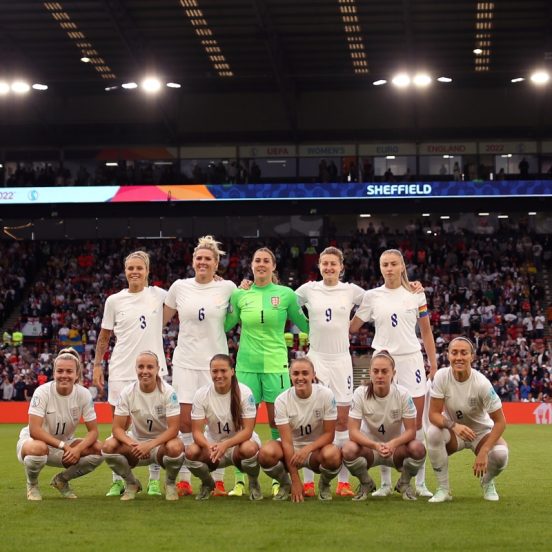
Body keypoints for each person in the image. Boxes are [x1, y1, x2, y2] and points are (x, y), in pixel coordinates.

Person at [350, 248, 437, 498]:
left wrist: (433, 363)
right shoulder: (372, 296)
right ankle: (386, 484)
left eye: (393, 264)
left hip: (411, 361)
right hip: (382, 361)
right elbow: (353, 327)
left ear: (402, 267)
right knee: (383, 422)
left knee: (417, 423)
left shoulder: (416, 294)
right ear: (380, 268)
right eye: (385, 264)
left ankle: (419, 482)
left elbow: (426, 331)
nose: (389, 268)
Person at [225, 247, 310, 496]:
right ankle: (241, 480)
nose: (261, 264)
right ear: (251, 265)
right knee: (240, 423)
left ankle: (277, 477)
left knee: (277, 423)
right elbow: (225, 325)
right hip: (246, 367)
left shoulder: (286, 295)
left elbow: (307, 325)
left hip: (276, 366)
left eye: (266, 261)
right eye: (257, 260)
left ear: (273, 266)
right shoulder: (240, 295)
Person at [164, 235, 236, 497]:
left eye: (208, 258)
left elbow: (242, 311)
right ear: (193, 261)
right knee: (185, 423)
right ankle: (184, 480)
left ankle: (218, 480)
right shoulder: (179, 287)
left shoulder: (228, 288)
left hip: (215, 365)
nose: (203, 262)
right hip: (185, 362)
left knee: (219, 422)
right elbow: (160, 320)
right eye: (199, 258)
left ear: (216, 263)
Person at [93, 250, 169, 497]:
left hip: (153, 370)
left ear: (147, 271)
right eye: (130, 268)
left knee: (156, 426)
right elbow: (104, 336)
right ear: (125, 271)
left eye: (139, 268)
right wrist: (97, 365)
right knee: (120, 428)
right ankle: (121, 480)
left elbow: (190, 293)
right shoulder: (114, 301)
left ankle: (155, 480)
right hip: (121, 370)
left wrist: (217, 279)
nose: (134, 272)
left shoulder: (160, 295)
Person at [294, 246, 365, 497]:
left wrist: (410, 287)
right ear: (319, 266)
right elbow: (285, 302)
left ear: (341, 267)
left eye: (333, 263)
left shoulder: (351, 291)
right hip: (316, 359)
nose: (329, 267)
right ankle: (309, 482)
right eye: (325, 263)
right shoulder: (308, 290)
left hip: (341, 361)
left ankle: (343, 483)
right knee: (311, 420)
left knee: (342, 421)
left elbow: (376, 299)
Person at [427, 336, 509, 502]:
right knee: (433, 433)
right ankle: (443, 489)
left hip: (480, 433)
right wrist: (454, 426)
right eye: (454, 353)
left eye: (464, 353)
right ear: (448, 355)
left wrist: (484, 451)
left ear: (472, 356)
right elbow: (433, 414)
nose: (459, 357)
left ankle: (487, 481)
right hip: (454, 432)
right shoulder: (442, 376)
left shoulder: (482, 384)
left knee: (501, 455)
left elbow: (500, 422)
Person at [16, 348, 103, 501]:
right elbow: (34, 430)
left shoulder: (84, 394)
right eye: (60, 371)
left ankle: (61, 480)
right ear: (54, 373)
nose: (64, 375)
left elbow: (93, 432)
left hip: (64, 445)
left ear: (77, 374)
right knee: (38, 448)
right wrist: (64, 446)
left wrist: (77, 449)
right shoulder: (42, 392)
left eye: (69, 371)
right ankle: (32, 484)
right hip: (35, 443)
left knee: (99, 449)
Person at [342, 351, 425, 501]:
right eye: (376, 371)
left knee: (418, 448)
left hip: (396, 450)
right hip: (370, 450)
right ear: (370, 373)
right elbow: (353, 432)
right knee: (348, 449)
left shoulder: (403, 394)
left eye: (384, 371)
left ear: (393, 373)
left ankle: (404, 483)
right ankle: (366, 483)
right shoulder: (360, 393)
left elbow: (411, 431)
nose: (380, 375)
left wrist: (393, 444)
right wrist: (375, 445)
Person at [101, 351, 184, 501]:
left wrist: (150, 445)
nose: (145, 371)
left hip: (161, 445)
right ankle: (131, 483)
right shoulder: (127, 392)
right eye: (141, 367)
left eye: (150, 367)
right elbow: (117, 429)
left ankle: (170, 483)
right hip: (136, 444)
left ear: (158, 369)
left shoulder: (168, 392)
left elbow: (174, 429)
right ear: (136, 369)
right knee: (108, 446)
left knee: (176, 447)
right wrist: (133, 444)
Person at [258, 358, 341, 502]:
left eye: (305, 373)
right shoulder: (282, 400)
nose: (300, 378)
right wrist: (295, 480)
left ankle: (324, 484)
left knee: (333, 455)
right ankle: (286, 484)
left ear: (313, 375)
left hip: (316, 450)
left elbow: (329, 435)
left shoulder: (326, 395)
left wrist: (307, 449)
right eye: (296, 373)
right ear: (290, 375)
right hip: (292, 448)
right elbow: (287, 442)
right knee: (266, 453)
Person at [184, 354, 263, 501]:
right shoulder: (201, 394)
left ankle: (253, 483)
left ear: (232, 371)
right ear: (210, 372)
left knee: (249, 448)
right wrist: (208, 446)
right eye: (215, 371)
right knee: (191, 452)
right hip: (213, 446)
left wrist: (225, 445)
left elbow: (248, 431)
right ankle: (207, 483)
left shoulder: (245, 393)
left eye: (223, 371)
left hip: (238, 445)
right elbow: (196, 432)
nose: (219, 375)